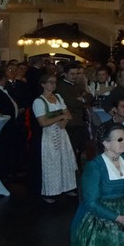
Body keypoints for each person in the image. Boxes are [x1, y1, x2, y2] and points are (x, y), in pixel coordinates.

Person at [33, 74, 78, 203]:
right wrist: (60, 117)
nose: (53, 85)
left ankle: (68, 186)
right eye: (50, 82)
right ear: (43, 84)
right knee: (51, 162)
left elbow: (68, 114)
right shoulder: (39, 101)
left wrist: (64, 120)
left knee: (66, 159)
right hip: (48, 136)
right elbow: (43, 122)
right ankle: (51, 191)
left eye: (54, 82)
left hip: (62, 133)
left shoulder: (58, 97)